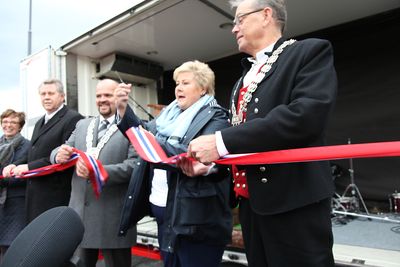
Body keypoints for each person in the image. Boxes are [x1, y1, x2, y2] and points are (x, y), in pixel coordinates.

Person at [184, 0, 338, 266]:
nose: (234, 29)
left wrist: (222, 142)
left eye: (239, 20)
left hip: (295, 204)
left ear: (266, 15)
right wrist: (212, 168)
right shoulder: (241, 79)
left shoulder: (308, 52)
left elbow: (305, 116)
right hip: (251, 207)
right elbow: (247, 141)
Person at [115, 60, 233, 267]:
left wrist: (149, 141)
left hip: (195, 221)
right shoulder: (169, 116)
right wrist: (123, 109)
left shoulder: (217, 116)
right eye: (177, 83)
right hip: (164, 213)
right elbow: (142, 134)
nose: (178, 87)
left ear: (203, 88)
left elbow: (193, 153)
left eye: (185, 83)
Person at [51, 79, 137, 267]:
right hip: (80, 217)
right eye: (99, 96)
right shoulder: (83, 125)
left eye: (108, 95)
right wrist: (58, 154)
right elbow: (61, 149)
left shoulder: (132, 126)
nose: (102, 100)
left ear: (119, 96)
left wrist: (99, 172)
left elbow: (135, 165)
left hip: (113, 217)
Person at [2, 78, 84, 223]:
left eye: (51, 93)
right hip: (34, 193)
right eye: (43, 94)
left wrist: (29, 167)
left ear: (62, 96)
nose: (46, 97)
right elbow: (33, 153)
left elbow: (64, 159)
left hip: (55, 194)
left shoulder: (73, 118)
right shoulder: (40, 121)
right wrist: (15, 164)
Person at [0, 109, 30, 261]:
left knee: (12, 245)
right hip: (1, 201)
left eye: (13, 122)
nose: (8, 125)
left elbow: (27, 174)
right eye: (5, 121)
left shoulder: (28, 146)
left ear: (20, 126)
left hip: (16, 202)